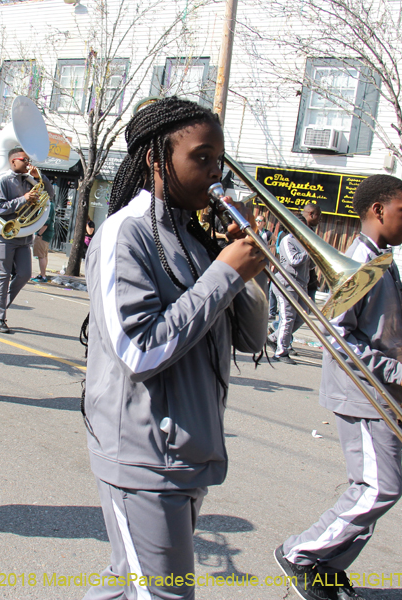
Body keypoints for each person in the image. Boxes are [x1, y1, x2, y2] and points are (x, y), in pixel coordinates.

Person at [82, 97, 266, 600]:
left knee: (128, 587)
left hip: (183, 452)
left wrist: (251, 270)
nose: (215, 173)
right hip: (141, 454)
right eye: (201, 158)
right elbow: (138, 351)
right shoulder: (125, 234)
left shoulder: (193, 237)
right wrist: (225, 273)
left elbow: (251, 340)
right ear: (155, 159)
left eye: (218, 160)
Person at [276, 175, 402, 600]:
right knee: (379, 489)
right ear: (378, 210)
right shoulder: (358, 262)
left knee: (370, 491)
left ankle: (325, 569)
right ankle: (300, 553)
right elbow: (339, 336)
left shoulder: (386, 259)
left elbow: (384, 324)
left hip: (380, 392)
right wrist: (397, 372)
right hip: (364, 393)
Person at [0, 149, 54, 334]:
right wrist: (23, 199)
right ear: (12, 162)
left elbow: (50, 196)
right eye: (24, 159)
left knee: (25, 274)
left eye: (29, 159)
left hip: (24, 236)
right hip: (4, 235)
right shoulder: (2, 180)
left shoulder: (30, 180)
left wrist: (40, 177)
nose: (28, 163)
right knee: (3, 275)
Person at [267, 202, 321, 364]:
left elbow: (309, 266)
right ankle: (281, 352)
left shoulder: (304, 242)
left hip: (301, 285)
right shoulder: (288, 240)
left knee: (302, 316)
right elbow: (294, 260)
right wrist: (308, 251)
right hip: (286, 284)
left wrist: (314, 257)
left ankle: (273, 338)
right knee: (288, 317)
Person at [29, 207, 55, 283]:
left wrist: (39, 234)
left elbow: (46, 223)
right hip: (45, 235)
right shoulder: (50, 206)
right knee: (44, 255)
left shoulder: (48, 206)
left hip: (43, 235)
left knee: (41, 256)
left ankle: (43, 276)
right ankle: (42, 274)